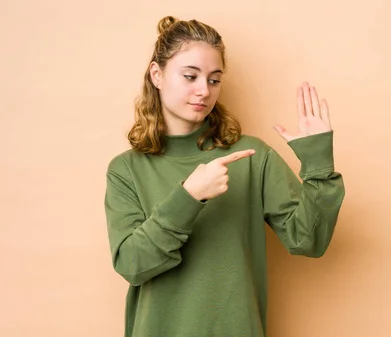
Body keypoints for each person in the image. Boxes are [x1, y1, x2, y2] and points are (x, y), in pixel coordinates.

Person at [104, 15, 345, 337]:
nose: (203, 90)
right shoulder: (126, 170)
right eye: (190, 76)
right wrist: (188, 197)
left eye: (214, 80)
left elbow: (309, 241)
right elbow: (133, 266)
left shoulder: (250, 156)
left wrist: (318, 162)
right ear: (157, 75)